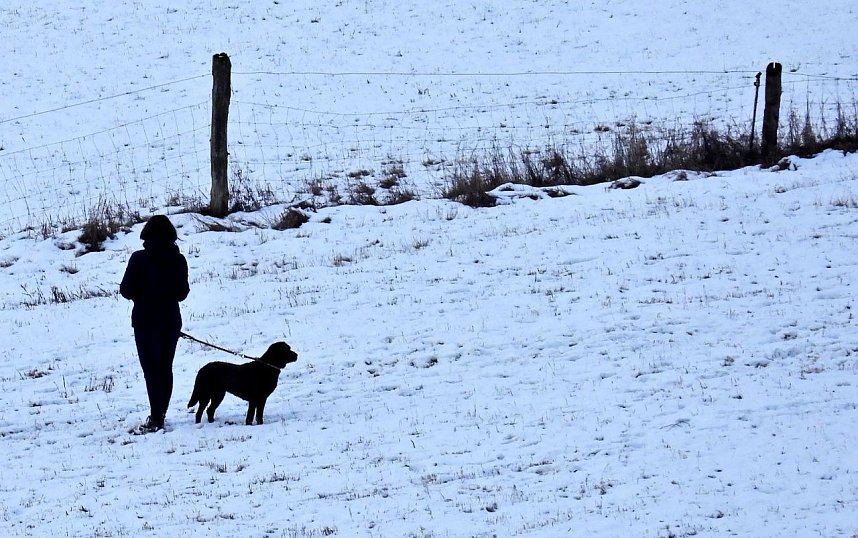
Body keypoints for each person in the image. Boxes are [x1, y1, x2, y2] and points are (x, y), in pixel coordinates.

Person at [120, 215, 190, 434]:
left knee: (151, 371)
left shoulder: (138, 259)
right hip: (170, 320)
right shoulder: (178, 260)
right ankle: (161, 413)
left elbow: (125, 290)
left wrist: (142, 295)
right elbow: (182, 293)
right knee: (165, 368)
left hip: (144, 321)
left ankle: (156, 416)